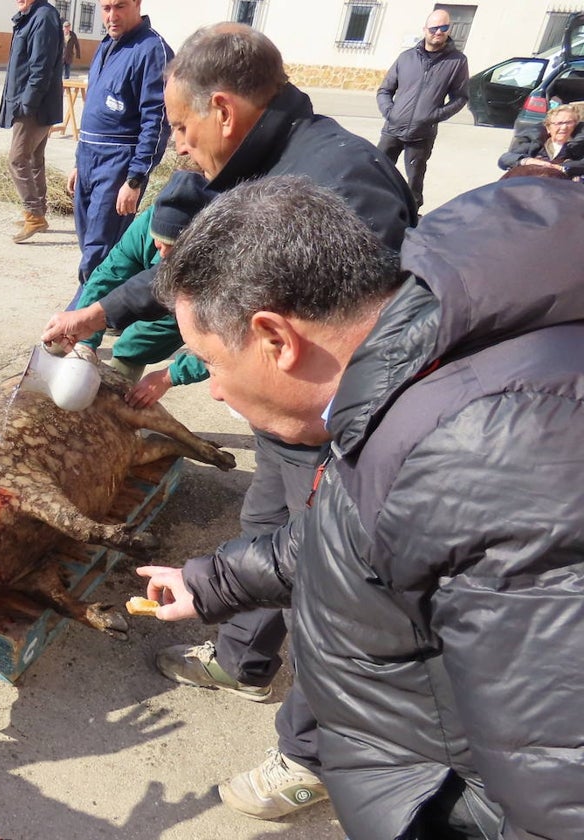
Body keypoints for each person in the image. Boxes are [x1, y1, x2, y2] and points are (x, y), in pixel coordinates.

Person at [42, 23, 415, 821]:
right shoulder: (251, 164)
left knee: (338, 583)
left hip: (337, 423)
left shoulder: (344, 184)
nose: (176, 146)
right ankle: (242, 660)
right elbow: (192, 275)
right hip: (289, 420)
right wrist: (98, 312)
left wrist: (200, 371)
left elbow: (352, 342)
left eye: (179, 127)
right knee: (266, 525)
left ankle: (313, 757)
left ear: (221, 108)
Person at [139, 174, 584, 840]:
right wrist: (211, 583)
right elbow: (356, 531)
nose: (214, 392)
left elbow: (560, 787)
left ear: (275, 339)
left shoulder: (489, 457)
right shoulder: (407, 369)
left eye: (208, 361)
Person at [71, 168, 212, 405]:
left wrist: (170, 377)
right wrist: (85, 337)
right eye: (159, 243)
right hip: (165, 288)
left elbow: (238, 344)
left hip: (197, 297)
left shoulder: (230, 254)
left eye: (172, 247)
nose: (163, 251)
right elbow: (108, 275)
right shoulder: (147, 224)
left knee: (135, 345)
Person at [68, 0, 172, 292]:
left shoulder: (152, 50)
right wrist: (79, 161)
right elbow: (93, 112)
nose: (111, 16)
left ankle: (78, 323)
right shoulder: (106, 46)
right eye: (105, 8)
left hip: (118, 162)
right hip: (90, 157)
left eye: (119, 6)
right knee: (91, 242)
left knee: (98, 251)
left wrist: (135, 178)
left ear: (137, 4)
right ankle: (114, 310)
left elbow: (157, 120)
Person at [376, 9, 469, 210]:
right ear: (425, 29)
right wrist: (390, 113)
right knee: (376, 171)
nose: (439, 32)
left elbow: (460, 98)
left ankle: (410, 219)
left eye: (444, 28)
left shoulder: (457, 61)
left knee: (414, 184)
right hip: (393, 130)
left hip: (422, 134)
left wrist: (434, 116)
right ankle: (372, 208)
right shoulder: (406, 58)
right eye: (434, 28)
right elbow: (384, 90)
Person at [0, 0, 63, 244]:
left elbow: (41, 67)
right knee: (34, 159)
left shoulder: (43, 16)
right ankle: (37, 212)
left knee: (17, 159)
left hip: (34, 105)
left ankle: (34, 215)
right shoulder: (31, 15)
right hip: (31, 102)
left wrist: (28, 104)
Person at [497, 103, 584, 178]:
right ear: (548, 128)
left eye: (569, 123)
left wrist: (561, 168)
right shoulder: (535, 141)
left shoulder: (579, 145)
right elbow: (505, 159)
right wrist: (528, 161)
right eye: (559, 123)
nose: (564, 127)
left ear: (575, 126)